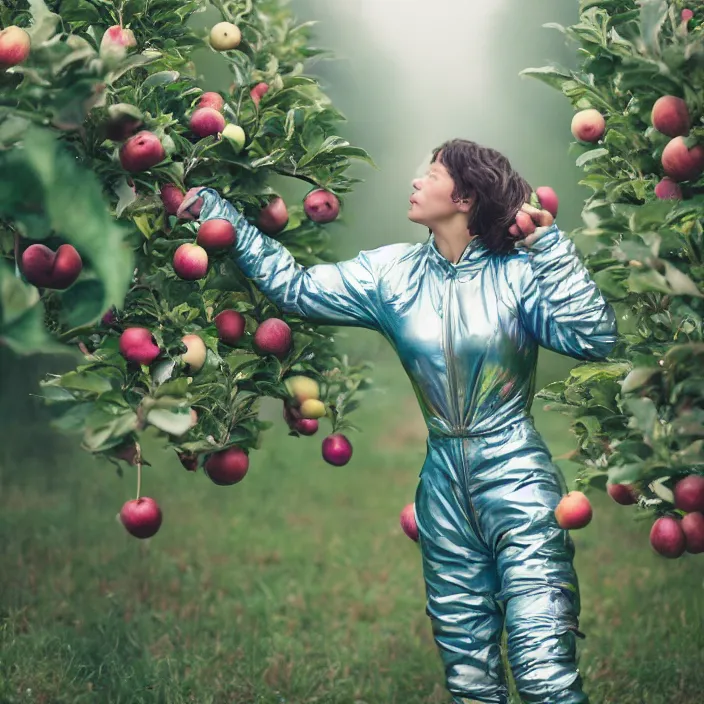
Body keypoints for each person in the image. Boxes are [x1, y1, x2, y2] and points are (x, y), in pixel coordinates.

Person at [178, 138, 619, 704]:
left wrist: (550, 248)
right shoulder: (391, 275)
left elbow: (594, 338)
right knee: (469, 676)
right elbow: (296, 289)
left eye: (431, 172)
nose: (415, 180)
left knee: (543, 670)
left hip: (517, 476)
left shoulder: (520, 274)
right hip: (442, 485)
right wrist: (220, 216)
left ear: (465, 196)